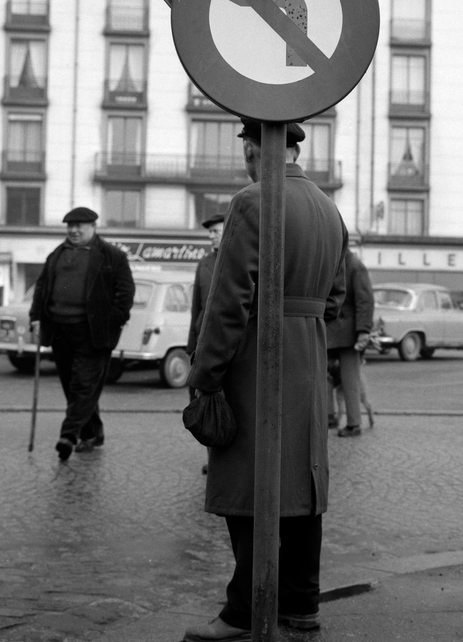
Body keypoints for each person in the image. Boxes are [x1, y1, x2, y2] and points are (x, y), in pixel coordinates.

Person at [183, 120, 348, 642]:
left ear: (254, 150)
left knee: (249, 487)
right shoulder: (329, 209)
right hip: (308, 356)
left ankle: (242, 612)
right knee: (302, 482)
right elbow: (336, 298)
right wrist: (304, 321)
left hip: (258, 358)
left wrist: (206, 373)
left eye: (246, 154)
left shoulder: (252, 202)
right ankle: (301, 602)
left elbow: (228, 301)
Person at [29, 206, 135, 461]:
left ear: (93, 227)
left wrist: (111, 323)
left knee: (84, 385)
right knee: (72, 386)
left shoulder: (112, 256)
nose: (74, 230)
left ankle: (69, 435)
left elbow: (125, 293)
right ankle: (92, 433)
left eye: (80, 226)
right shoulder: (57, 254)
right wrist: (35, 317)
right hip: (59, 330)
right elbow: (42, 287)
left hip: (92, 333)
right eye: (70, 226)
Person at [187, 212, 225, 474]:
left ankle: (227, 460)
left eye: (216, 231)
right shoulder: (204, 264)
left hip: (230, 343)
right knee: (205, 399)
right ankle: (213, 457)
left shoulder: (243, 260)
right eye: (209, 232)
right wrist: (191, 345)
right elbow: (196, 307)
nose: (211, 236)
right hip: (204, 342)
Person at [326, 248, 374, 437]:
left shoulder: (353, 265)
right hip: (337, 331)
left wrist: (363, 332)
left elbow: (365, 301)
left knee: (348, 380)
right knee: (329, 376)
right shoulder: (344, 263)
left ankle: (353, 423)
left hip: (345, 332)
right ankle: (331, 416)